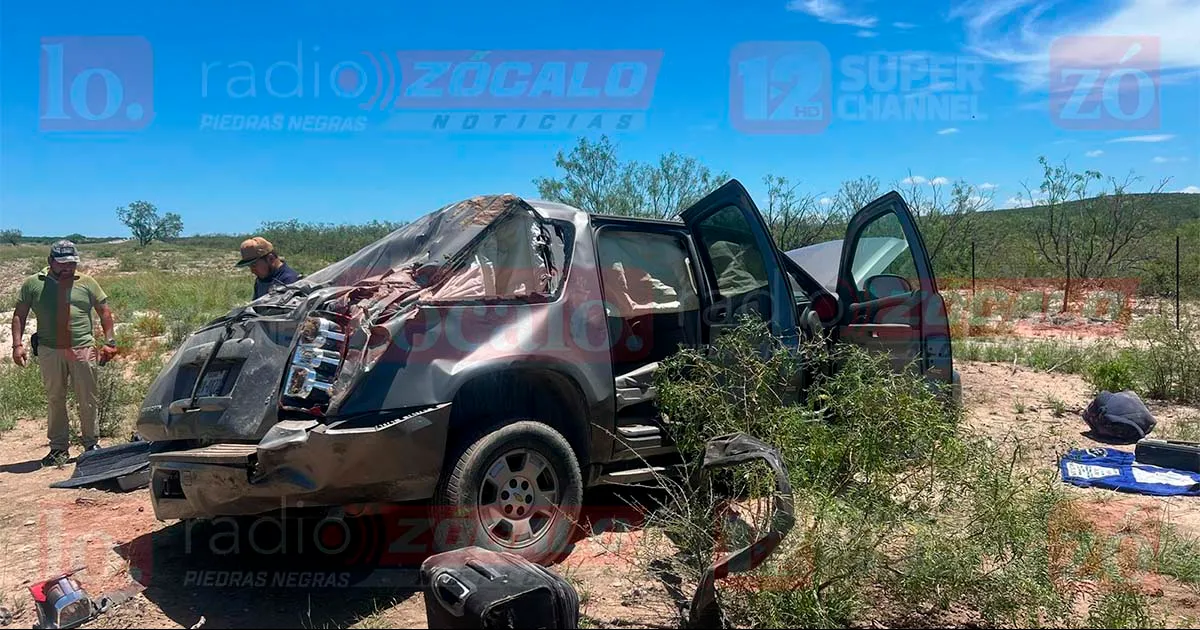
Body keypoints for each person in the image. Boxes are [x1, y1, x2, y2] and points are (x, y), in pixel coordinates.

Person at [11, 240, 118, 466]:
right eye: (62, 264)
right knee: (55, 398)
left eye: (71, 264)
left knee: (87, 397)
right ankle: (58, 449)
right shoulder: (33, 283)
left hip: (82, 349)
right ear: (50, 261)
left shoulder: (87, 282)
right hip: (50, 350)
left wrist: (110, 341)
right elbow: (19, 314)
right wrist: (17, 345)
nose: (68, 268)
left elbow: (104, 311)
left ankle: (91, 445)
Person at [236, 236, 301, 300]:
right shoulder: (261, 280)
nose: (252, 271)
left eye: (254, 265)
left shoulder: (290, 281)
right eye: (249, 266)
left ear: (270, 258)